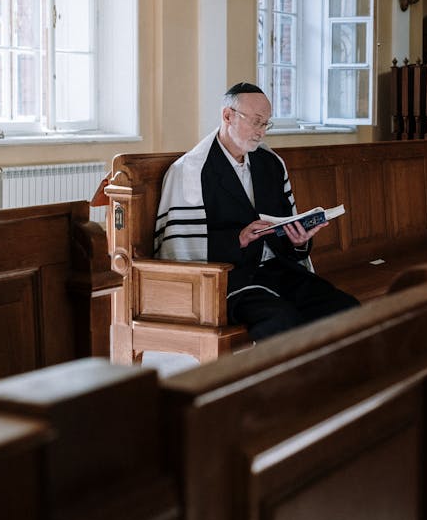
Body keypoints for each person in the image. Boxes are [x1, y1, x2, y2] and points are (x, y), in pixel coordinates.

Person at [154, 82, 359, 341]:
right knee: (282, 322)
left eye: (266, 124)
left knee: (345, 308)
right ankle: (284, 382)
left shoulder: (270, 164)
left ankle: (336, 381)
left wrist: (298, 240)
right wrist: (237, 239)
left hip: (278, 270)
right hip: (230, 280)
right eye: (256, 122)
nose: (262, 132)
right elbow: (181, 249)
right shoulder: (190, 171)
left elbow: (286, 227)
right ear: (227, 116)